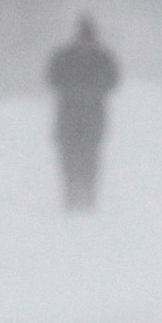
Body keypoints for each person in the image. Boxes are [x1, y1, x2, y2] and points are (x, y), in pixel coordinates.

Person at [46, 13, 120, 213]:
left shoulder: (101, 58)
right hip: (73, 117)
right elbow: (52, 79)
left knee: (88, 157)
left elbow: (112, 82)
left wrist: (85, 91)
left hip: (88, 117)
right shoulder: (68, 57)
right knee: (71, 157)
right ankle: (72, 195)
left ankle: (87, 195)